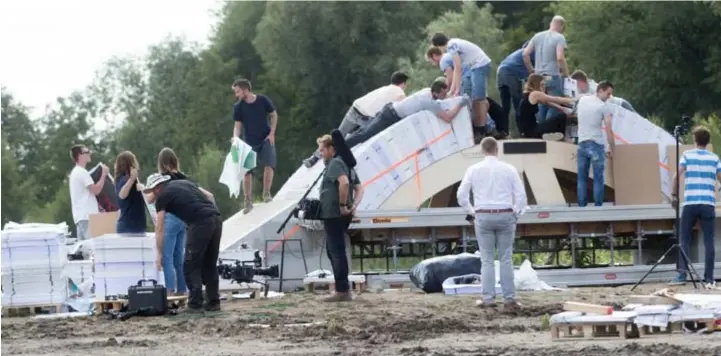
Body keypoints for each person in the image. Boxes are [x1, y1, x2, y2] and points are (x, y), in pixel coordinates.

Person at [456, 137, 527, 309]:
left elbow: (461, 195)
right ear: (497, 150)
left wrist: (471, 212)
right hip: (505, 215)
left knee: (486, 260)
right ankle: (509, 299)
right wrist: (517, 212)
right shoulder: (509, 169)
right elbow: (521, 196)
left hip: (483, 215)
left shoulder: (473, 169)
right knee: (506, 258)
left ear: (482, 150)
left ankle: (488, 299)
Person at [144, 173, 221, 313]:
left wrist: (160, 253)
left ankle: (195, 304)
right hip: (215, 218)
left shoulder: (162, 197)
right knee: (209, 263)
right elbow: (210, 196)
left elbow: (159, 228)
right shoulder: (184, 183)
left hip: (200, 222)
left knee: (190, 264)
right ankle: (213, 302)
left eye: (151, 192)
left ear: (156, 189)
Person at [302, 71, 409, 168]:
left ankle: (314, 158)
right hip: (366, 117)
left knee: (338, 135)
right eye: (405, 85)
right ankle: (337, 156)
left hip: (355, 109)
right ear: (403, 83)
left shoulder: (384, 88)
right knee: (362, 135)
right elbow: (404, 105)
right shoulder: (398, 90)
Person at [342, 79, 468, 149]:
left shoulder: (426, 91)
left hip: (390, 109)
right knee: (367, 135)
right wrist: (460, 104)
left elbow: (442, 101)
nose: (445, 97)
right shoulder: (429, 102)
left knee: (364, 131)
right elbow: (448, 118)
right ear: (436, 93)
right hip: (391, 116)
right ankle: (342, 147)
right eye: (443, 94)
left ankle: (344, 141)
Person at [669, 126, 721, 288]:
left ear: (695, 139)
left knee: (684, 238)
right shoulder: (714, 158)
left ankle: (682, 273)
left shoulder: (687, 155)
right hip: (707, 203)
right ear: (708, 141)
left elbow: (677, 176)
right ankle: (709, 278)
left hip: (690, 202)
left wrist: (674, 195)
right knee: (708, 240)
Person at [316, 134, 364, 302]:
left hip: (334, 214)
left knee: (336, 251)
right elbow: (359, 188)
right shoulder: (348, 165)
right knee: (334, 250)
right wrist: (353, 206)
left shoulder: (336, 163)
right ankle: (342, 288)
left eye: (323, 149)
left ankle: (342, 291)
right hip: (340, 214)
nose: (321, 153)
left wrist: (343, 206)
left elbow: (343, 183)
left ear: (332, 149)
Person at [431, 33, 494, 141]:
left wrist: (454, 91)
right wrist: (453, 90)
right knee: (475, 100)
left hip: (480, 65)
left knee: (479, 100)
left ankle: (482, 129)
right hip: (476, 66)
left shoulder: (451, 45)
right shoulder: (453, 43)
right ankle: (480, 128)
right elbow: (456, 69)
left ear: (438, 45)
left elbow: (458, 68)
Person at [232, 78, 278, 213]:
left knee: (269, 165)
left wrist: (272, 133)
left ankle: (267, 193)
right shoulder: (238, 107)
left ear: (245, 89)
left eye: (238, 92)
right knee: (246, 172)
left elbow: (274, 115)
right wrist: (235, 138)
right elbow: (237, 126)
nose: (237, 95)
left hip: (265, 138)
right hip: (248, 142)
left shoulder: (263, 100)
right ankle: (247, 201)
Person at [576, 81, 616, 207]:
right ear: (600, 90)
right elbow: (609, 130)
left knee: (582, 178)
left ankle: (582, 206)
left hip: (581, 144)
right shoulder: (604, 107)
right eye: (608, 93)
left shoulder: (582, 100)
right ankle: (598, 207)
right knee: (598, 178)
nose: (609, 97)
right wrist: (612, 148)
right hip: (596, 144)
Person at [523, 15, 568, 122]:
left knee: (542, 104)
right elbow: (560, 58)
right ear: (561, 26)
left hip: (539, 78)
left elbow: (525, 54)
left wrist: (532, 71)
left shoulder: (537, 36)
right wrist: (566, 74)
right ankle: (548, 129)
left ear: (551, 23)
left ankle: (541, 129)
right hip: (552, 76)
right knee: (556, 104)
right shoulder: (559, 37)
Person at [517, 74, 576, 141]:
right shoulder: (535, 94)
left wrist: (561, 108)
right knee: (562, 118)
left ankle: (560, 138)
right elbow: (556, 99)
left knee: (559, 117)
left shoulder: (528, 94)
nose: (544, 87)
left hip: (526, 131)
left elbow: (546, 102)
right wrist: (574, 99)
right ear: (536, 84)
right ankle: (566, 140)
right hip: (531, 131)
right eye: (542, 85)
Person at [68, 144, 108, 241]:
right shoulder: (82, 172)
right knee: (93, 249)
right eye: (86, 152)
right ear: (80, 155)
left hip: (81, 217)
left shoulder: (75, 172)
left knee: (85, 252)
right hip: (87, 217)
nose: (89, 154)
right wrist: (104, 175)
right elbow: (96, 190)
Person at [497, 42, 534, 131]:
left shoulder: (518, 53)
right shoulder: (531, 52)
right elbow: (533, 76)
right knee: (519, 104)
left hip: (500, 72)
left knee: (505, 106)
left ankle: (503, 131)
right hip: (510, 74)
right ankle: (522, 131)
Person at [570, 70, 636, 112]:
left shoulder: (595, 88)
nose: (576, 86)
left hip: (621, 106)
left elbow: (608, 99)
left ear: (579, 82)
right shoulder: (581, 90)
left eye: (576, 83)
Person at [114, 151, 147, 234]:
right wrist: (131, 179)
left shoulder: (132, 180)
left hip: (136, 225)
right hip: (129, 226)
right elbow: (122, 195)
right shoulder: (123, 179)